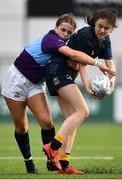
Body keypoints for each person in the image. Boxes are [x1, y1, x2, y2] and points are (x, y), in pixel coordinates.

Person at [1, 13, 115, 174]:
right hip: (16, 80)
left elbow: (78, 61)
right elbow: (75, 55)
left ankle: (53, 162)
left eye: (69, 32)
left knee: (47, 123)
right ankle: (29, 162)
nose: (65, 34)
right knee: (21, 127)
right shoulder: (51, 39)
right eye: (63, 30)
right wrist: (99, 64)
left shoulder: (65, 42)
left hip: (36, 83)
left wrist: (107, 80)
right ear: (56, 27)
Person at [43, 8, 117, 174]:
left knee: (72, 119)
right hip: (58, 70)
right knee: (83, 111)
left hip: (67, 73)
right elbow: (81, 61)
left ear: (112, 29)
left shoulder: (105, 40)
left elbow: (110, 64)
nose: (102, 30)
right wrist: (88, 87)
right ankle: (52, 147)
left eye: (107, 28)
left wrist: (111, 84)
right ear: (94, 23)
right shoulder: (85, 35)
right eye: (100, 26)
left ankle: (63, 164)